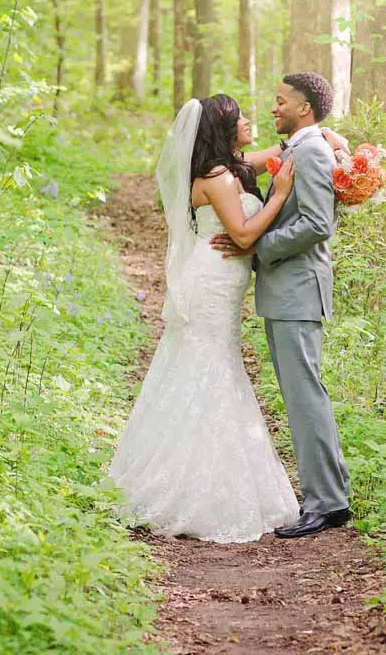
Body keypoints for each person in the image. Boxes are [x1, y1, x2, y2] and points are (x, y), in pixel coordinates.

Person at [109, 94, 302, 543]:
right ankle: (191, 486)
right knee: (208, 369)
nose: (250, 121)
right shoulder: (215, 178)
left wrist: (328, 138)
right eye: (241, 118)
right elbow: (244, 233)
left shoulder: (230, 168)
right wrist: (282, 196)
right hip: (210, 282)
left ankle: (208, 470)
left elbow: (276, 152)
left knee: (216, 366)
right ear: (225, 129)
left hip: (221, 283)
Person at [211, 73, 351, 539]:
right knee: (301, 395)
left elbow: (316, 224)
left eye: (281, 102)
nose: (273, 109)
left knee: (305, 395)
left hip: (298, 290)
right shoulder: (301, 148)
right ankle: (328, 496)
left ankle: (327, 503)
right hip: (286, 291)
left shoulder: (309, 152)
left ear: (304, 108)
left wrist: (258, 246)